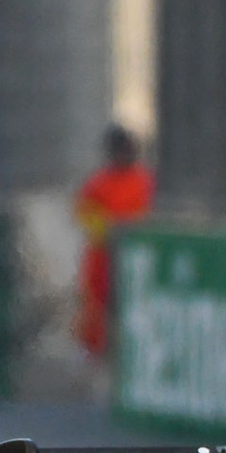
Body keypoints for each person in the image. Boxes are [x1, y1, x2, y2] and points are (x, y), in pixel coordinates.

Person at [74, 125, 155, 358]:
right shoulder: (98, 184)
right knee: (100, 312)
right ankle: (97, 352)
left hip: (138, 259)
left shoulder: (145, 182)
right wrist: (109, 230)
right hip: (104, 260)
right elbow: (85, 216)